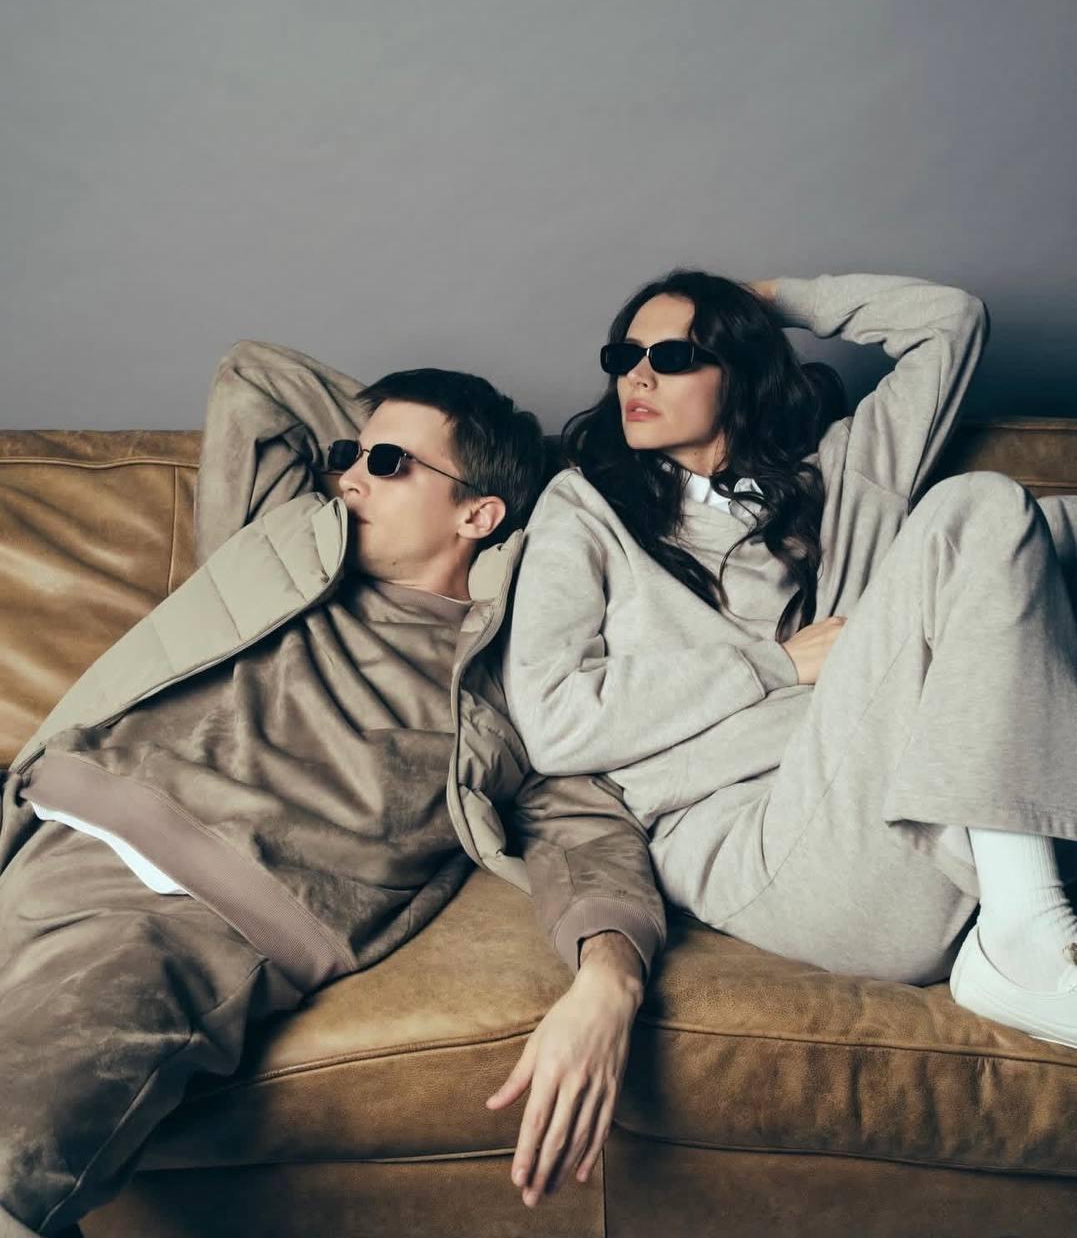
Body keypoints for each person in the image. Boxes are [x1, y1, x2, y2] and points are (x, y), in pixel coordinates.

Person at [0, 340, 666, 1237]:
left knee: (14, 1151)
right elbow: (252, 380)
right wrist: (386, 448)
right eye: (349, 453)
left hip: (178, 919)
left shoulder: (513, 673)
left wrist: (609, 983)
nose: (348, 476)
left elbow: (588, 832)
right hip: (34, 825)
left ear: (478, 515)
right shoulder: (279, 549)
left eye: (387, 464)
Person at [503, 269, 1077, 1053]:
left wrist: (769, 301)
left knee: (1000, 512)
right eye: (623, 357)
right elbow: (554, 721)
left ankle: (1023, 924)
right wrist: (773, 664)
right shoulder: (582, 508)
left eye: (670, 357)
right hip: (768, 853)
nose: (636, 376)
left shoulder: (846, 478)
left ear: (741, 371)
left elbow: (951, 321)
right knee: (978, 509)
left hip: (903, 798)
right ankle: (1026, 936)